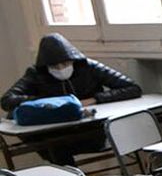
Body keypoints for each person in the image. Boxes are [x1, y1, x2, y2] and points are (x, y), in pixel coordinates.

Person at [2, 33, 141, 166]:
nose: (61, 69)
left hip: (90, 128)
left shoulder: (89, 67)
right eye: (54, 67)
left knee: (59, 148)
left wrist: (95, 99)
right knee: (54, 147)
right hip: (53, 133)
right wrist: (50, 102)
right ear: (46, 66)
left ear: (73, 60)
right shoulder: (36, 74)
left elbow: (132, 88)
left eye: (65, 64)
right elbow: (7, 100)